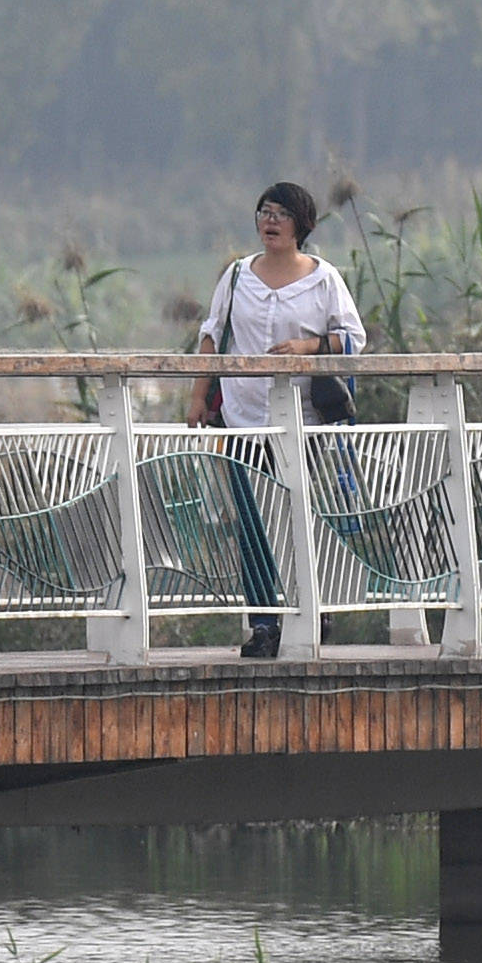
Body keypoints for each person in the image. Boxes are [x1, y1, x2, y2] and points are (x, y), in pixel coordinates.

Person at [195, 180, 362, 657]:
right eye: (264, 212)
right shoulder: (236, 277)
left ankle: (313, 608)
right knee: (250, 520)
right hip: (244, 417)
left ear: (301, 225)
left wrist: (307, 348)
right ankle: (264, 623)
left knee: (298, 518)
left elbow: (353, 338)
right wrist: (197, 397)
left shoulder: (324, 278)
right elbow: (212, 338)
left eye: (280, 214)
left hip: (303, 422)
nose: (269, 222)